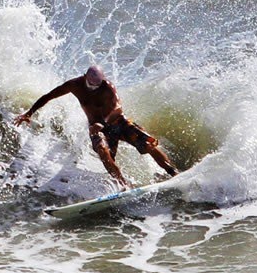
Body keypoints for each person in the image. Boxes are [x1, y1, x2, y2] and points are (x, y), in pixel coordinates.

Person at [13, 65, 178, 188]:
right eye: (91, 85)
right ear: (85, 76)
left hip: (118, 122)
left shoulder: (107, 87)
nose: (93, 88)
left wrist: (104, 122)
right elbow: (49, 96)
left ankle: (173, 173)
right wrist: (29, 113)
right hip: (96, 128)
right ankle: (123, 185)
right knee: (103, 151)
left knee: (148, 143)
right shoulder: (74, 85)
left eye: (96, 85)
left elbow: (117, 108)